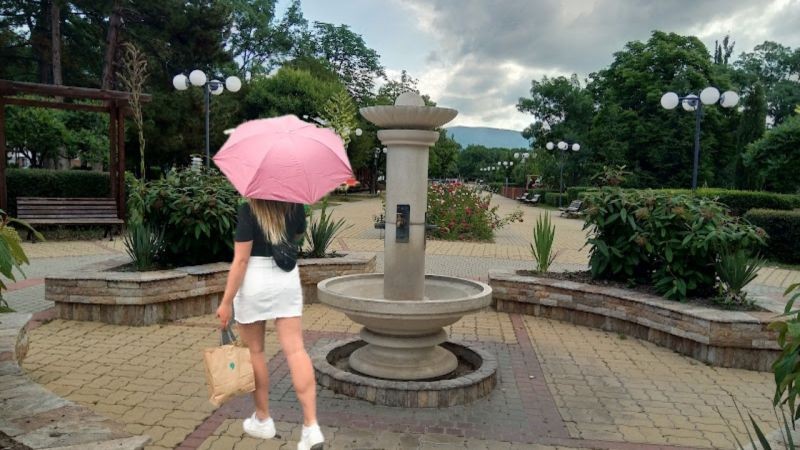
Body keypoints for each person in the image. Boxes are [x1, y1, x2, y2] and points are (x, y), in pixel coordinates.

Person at [216, 199, 324, 450]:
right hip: (286, 279)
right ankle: (311, 427)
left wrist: (226, 302)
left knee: (255, 352)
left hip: (254, 280)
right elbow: (297, 235)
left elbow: (241, 260)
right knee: (296, 350)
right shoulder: (294, 206)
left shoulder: (248, 209)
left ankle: (263, 419)